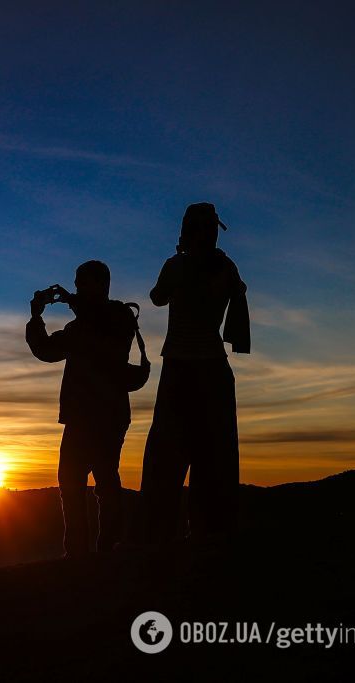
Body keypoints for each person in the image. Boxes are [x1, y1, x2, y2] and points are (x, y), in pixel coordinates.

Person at [140, 203, 250, 544]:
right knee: (214, 451)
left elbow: (157, 298)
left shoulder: (177, 265)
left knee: (166, 452)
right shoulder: (227, 267)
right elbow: (237, 292)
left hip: (179, 366)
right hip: (214, 367)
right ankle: (207, 527)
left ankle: (156, 533)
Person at [27, 260, 150, 558]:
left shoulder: (108, 319)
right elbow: (48, 349)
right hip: (100, 414)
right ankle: (90, 551)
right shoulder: (106, 319)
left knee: (92, 482)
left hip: (96, 416)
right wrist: (38, 317)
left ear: (100, 285)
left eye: (83, 283)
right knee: (89, 481)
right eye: (77, 284)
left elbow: (56, 348)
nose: (79, 289)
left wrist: (47, 314)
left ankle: (94, 551)